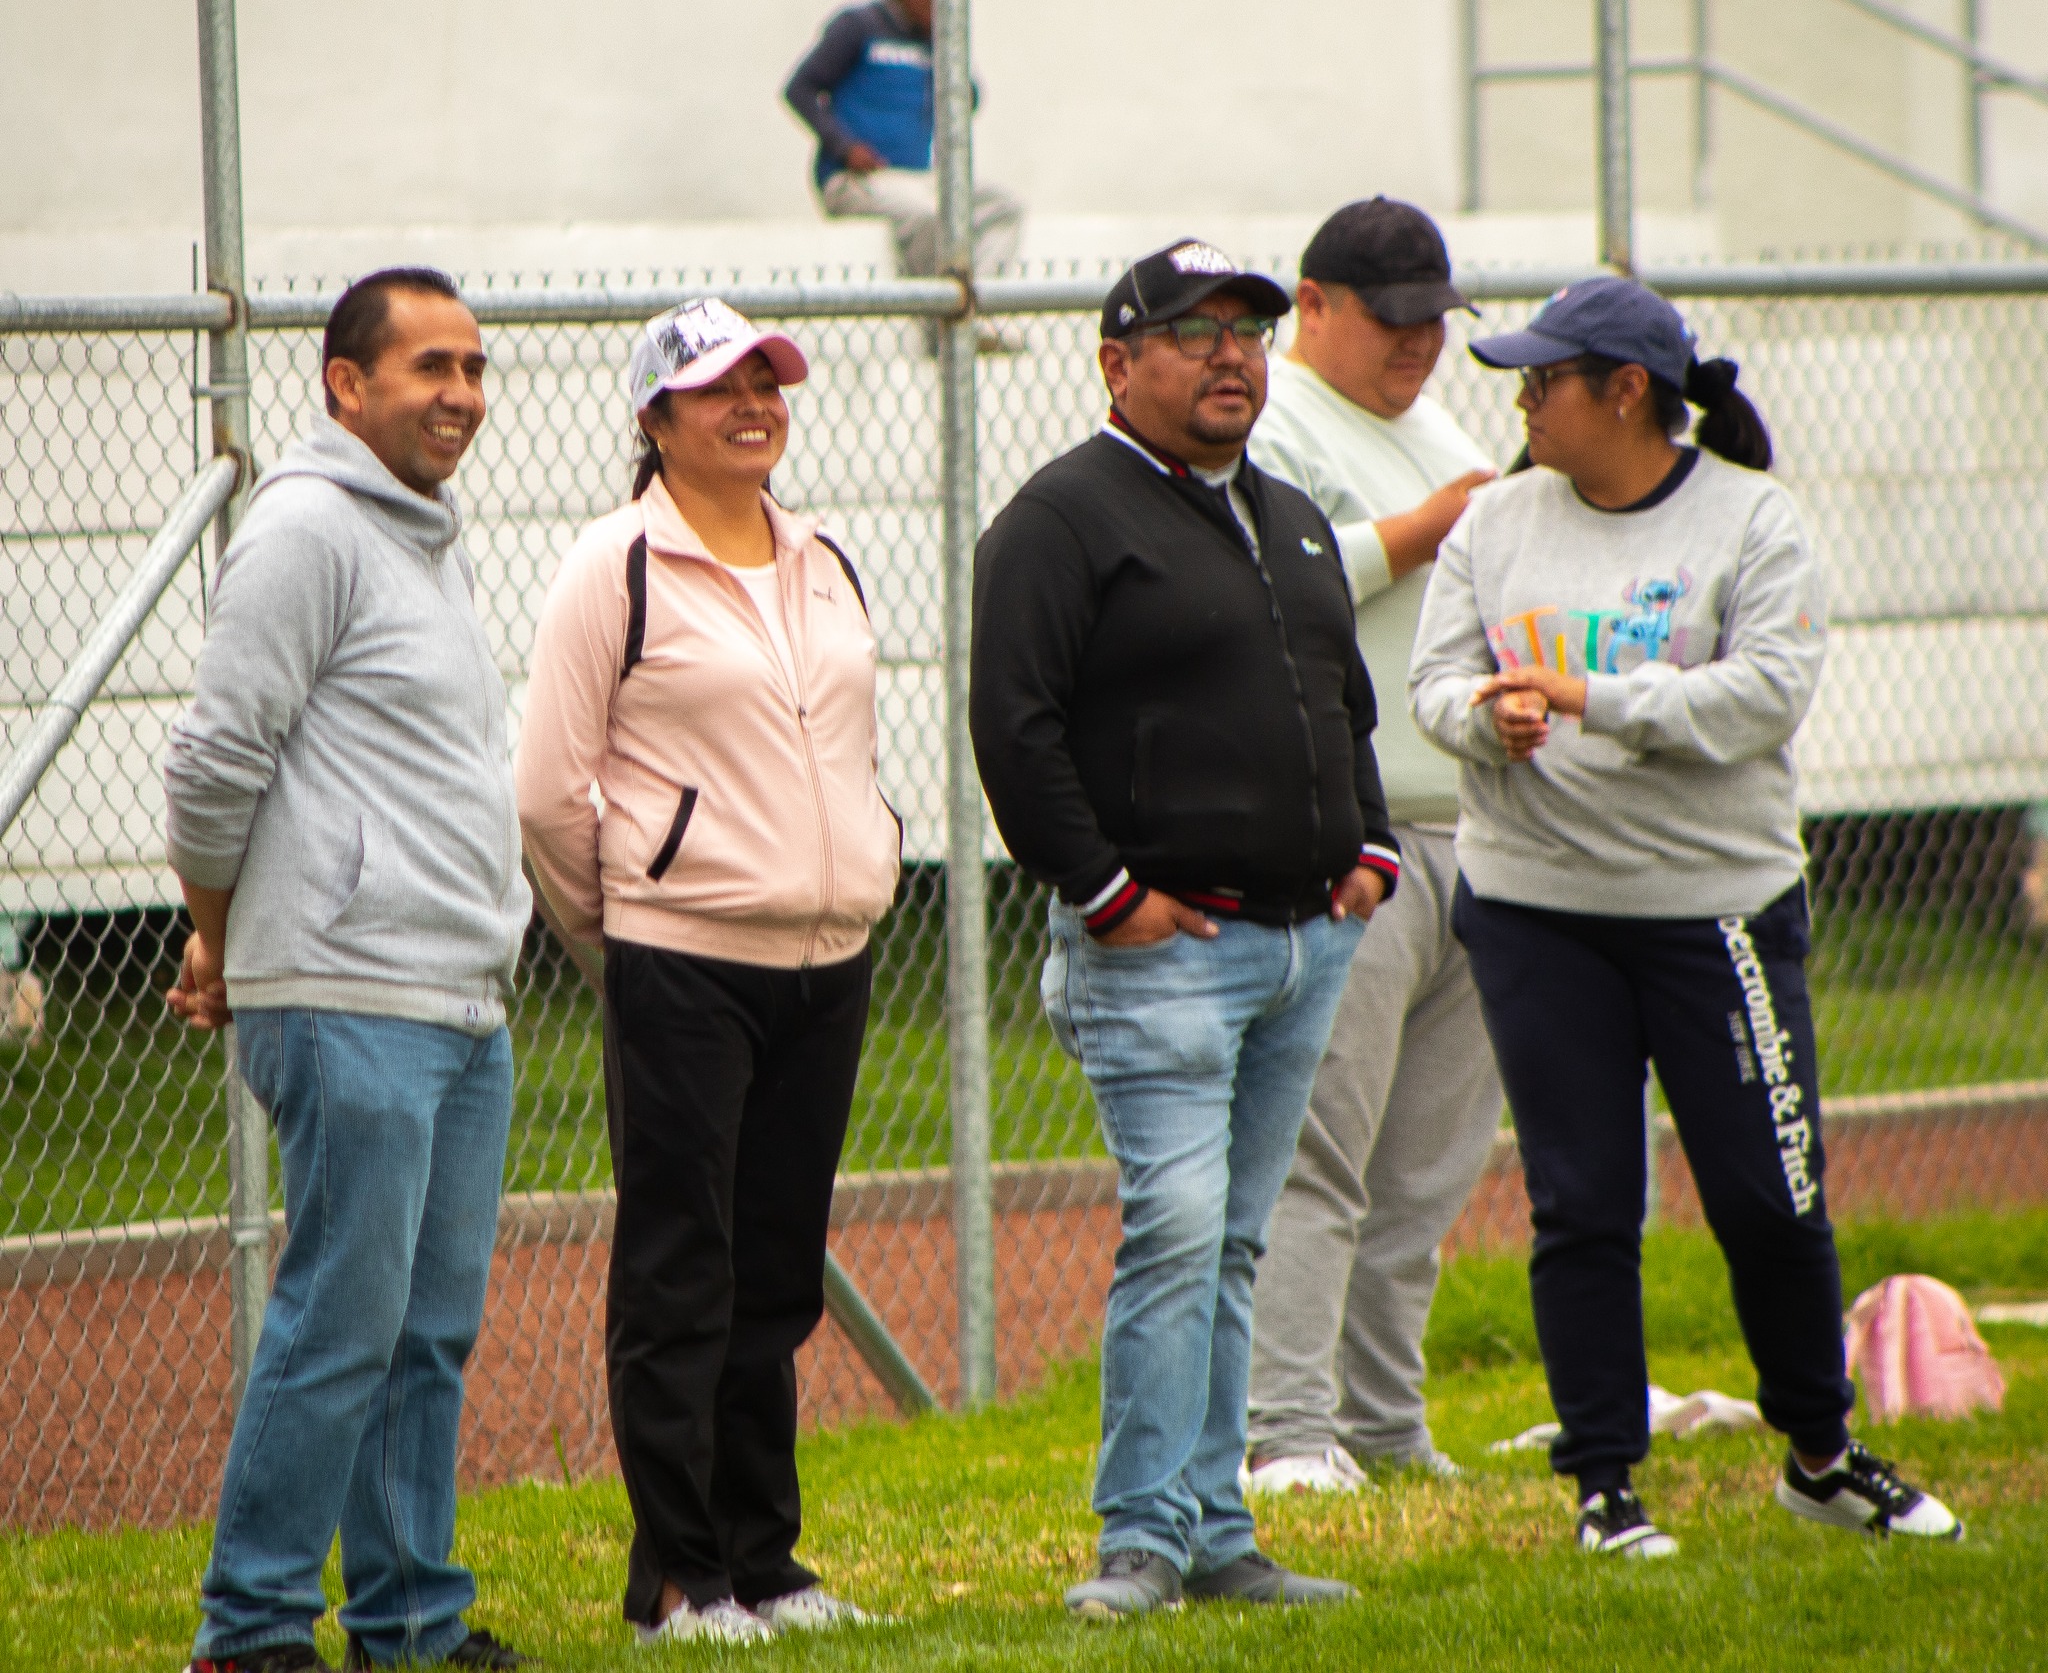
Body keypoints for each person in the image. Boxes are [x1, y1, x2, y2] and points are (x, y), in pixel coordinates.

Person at [1408, 276, 1961, 1558]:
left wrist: (1590, 697)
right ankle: (1604, 1482)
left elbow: (1760, 697)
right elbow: (1433, 681)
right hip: (1534, 910)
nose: (1522, 401)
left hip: (1711, 911)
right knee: (1581, 1202)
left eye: (1543, 380)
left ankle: (1818, 1454)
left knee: (1768, 1198)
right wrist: (1483, 718)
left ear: (1626, 394)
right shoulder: (1494, 521)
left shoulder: (1750, 521)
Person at [970, 239, 1402, 1620]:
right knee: (1177, 1225)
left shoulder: (1286, 513)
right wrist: (1108, 892)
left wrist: (1369, 849)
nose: (1234, 354)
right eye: (1198, 329)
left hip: (1300, 944)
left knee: (1231, 1239)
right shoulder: (1064, 516)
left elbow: (1343, 697)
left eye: (1252, 330)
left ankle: (1217, 1531)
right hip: (1163, 951)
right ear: (1117, 360)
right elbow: (1013, 727)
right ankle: (1142, 1535)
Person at [516, 298, 902, 1645]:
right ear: (656, 416)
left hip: (827, 959)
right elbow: (552, 794)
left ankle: (765, 1559)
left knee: (776, 1274)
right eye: (720, 386)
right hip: (682, 963)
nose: (754, 404)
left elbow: (848, 749)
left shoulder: (824, 557)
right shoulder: (611, 566)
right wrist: (622, 933)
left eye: (769, 382)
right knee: (682, 1270)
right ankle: (678, 1577)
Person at [166, 268, 531, 1673]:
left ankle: (410, 1627)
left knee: (425, 1336)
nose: (461, 393)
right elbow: (212, 762)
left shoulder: (429, 535)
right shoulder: (307, 529)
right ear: (344, 384)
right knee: (339, 1324)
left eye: (476, 367)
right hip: (350, 991)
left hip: (459, 999)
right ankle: (249, 1633)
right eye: (430, 366)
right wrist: (215, 928)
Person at [1242, 198, 1502, 1491]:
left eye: (1434, 320)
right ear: (1316, 304)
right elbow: (1270, 584)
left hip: (1478, 827)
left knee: (1425, 1167)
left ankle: (1384, 1424)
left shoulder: (1434, 424)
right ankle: (1287, 1432)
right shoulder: (1277, 418)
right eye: (1392, 318)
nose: (1417, 344)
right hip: (1355, 837)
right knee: (1319, 1149)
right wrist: (1435, 526)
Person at [783, 0, 1023, 282]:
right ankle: (938, 322)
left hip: (918, 181)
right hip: (858, 180)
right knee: (928, 218)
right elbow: (800, 89)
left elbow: (968, 99)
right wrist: (846, 148)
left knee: (1002, 208)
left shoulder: (936, 41)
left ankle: (975, 315)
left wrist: (950, 52)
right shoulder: (860, 27)